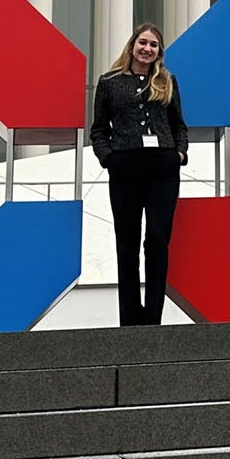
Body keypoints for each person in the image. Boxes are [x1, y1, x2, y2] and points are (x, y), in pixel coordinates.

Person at [90, 22, 189, 325]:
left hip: (163, 168)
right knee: (127, 243)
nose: (147, 49)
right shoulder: (109, 82)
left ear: (159, 51)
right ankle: (130, 321)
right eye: (143, 42)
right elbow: (98, 129)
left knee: (157, 240)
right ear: (132, 45)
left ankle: (153, 318)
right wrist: (108, 158)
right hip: (125, 168)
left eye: (154, 45)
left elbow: (179, 125)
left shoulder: (167, 81)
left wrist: (179, 154)